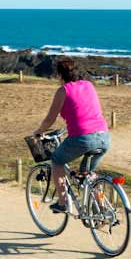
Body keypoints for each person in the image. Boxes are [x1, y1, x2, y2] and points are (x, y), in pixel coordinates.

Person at [32, 57, 110, 213]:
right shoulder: (89, 85)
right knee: (88, 175)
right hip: (104, 136)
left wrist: (39, 131)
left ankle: (63, 202)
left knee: (57, 160)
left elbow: (50, 119)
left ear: (59, 75)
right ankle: (101, 210)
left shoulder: (63, 91)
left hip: (83, 138)